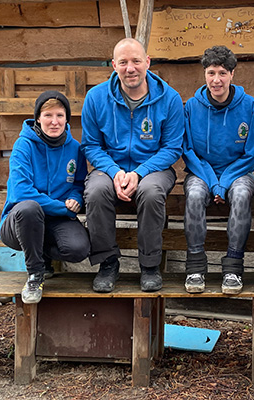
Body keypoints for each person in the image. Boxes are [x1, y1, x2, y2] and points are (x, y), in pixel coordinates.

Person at [81, 38, 185, 293]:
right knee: (95, 192)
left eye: (136, 61)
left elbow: (172, 147)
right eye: (124, 62)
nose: (131, 68)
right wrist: (115, 172)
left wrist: (139, 172)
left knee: (150, 192)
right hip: (109, 168)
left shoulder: (169, 99)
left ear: (147, 62)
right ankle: (107, 263)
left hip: (153, 169)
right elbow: (91, 145)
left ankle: (149, 266)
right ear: (114, 65)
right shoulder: (95, 98)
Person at [182, 45, 254, 295]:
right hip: (201, 172)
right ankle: (195, 265)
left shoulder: (249, 106)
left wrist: (224, 182)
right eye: (211, 73)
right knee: (194, 195)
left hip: (239, 172)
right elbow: (188, 151)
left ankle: (233, 267)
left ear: (232, 74)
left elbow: (252, 153)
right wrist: (213, 182)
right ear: (204, 74)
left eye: (222, 73)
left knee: (240, 195)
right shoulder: (191, 107)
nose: (216, 80)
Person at [0, 91, 90, 304]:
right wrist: (63, 208)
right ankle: (35, 274)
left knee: (79, 249)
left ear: (67, 118)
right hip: (19, 221)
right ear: (38, 118)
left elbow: (79, 183)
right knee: (29, 208)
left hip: (54, 222)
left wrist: (76, 198)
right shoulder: (24, 145)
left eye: (60, 115)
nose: (54, 122)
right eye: (48, 115)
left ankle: (42, 255)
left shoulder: (75, 148)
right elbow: (21, 192)